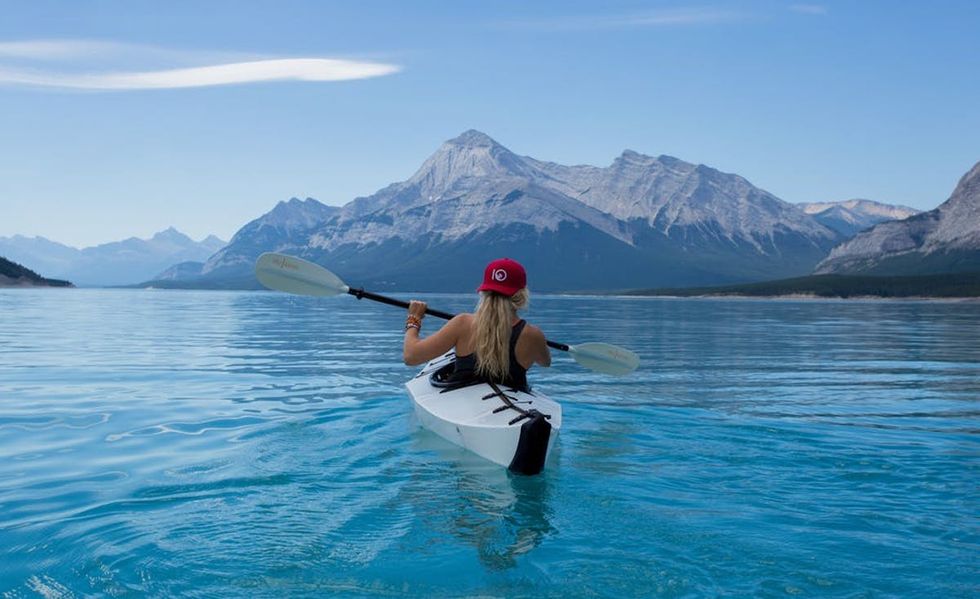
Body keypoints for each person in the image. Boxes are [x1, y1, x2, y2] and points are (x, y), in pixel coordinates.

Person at [402, 258, 551, 391]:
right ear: (521, 295)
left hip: (461, 399)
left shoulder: (462, 323)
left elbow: (411, 356)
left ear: (483, 292)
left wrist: (413, 319)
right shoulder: (533, 335)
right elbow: (545, 362)